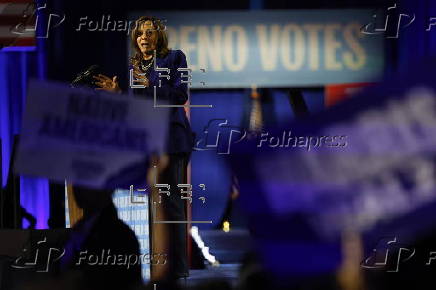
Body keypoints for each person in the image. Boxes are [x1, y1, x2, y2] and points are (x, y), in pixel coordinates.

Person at [94, 16, 193, 280]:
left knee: (170, 204)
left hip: (171, 140)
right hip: (147, 141)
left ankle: (177, 268)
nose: (144, 37)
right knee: (154, 205)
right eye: (139, 34)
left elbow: (180, 95)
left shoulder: (175, 58)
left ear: (158, 37)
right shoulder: (134, 66)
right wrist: (118, 95)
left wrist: (151, 84)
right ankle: (156, 266)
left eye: (149, 33)